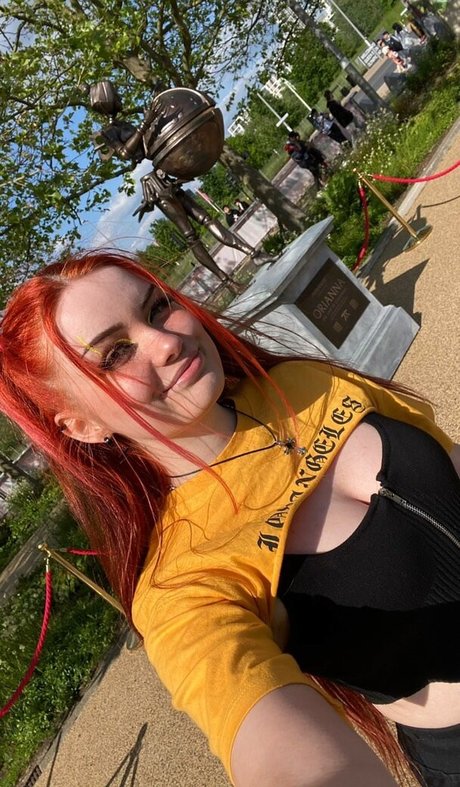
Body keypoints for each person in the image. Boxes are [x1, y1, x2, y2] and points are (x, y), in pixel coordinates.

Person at [1, 250, 460, 787]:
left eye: (157, 308)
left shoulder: (302, 382)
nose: (165, 342)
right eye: (115, 353)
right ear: (81, 426)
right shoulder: (180, 586)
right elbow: (271, 740)